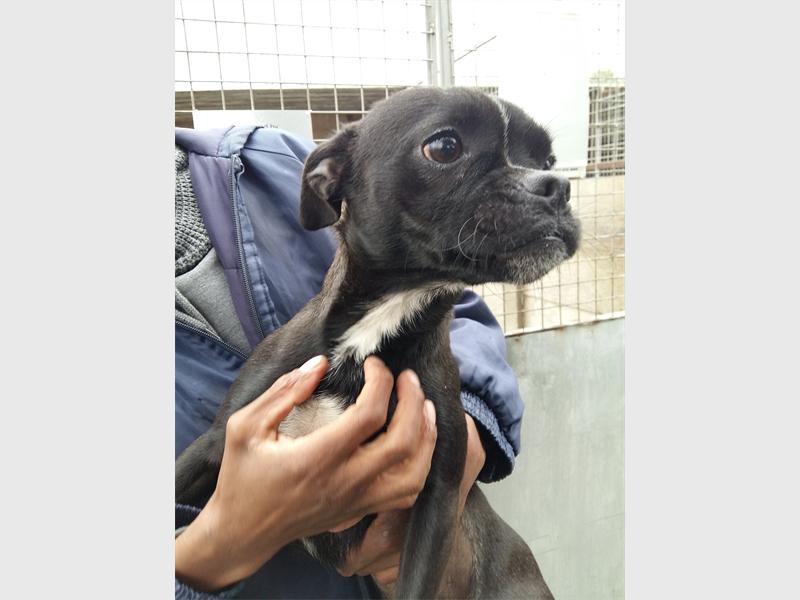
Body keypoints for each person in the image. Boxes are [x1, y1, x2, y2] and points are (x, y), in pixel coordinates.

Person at [174, 126, 525, 599]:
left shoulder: (272, 161)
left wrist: (459, 429)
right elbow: (212, 452)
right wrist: (219, 543)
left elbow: (458, 302)